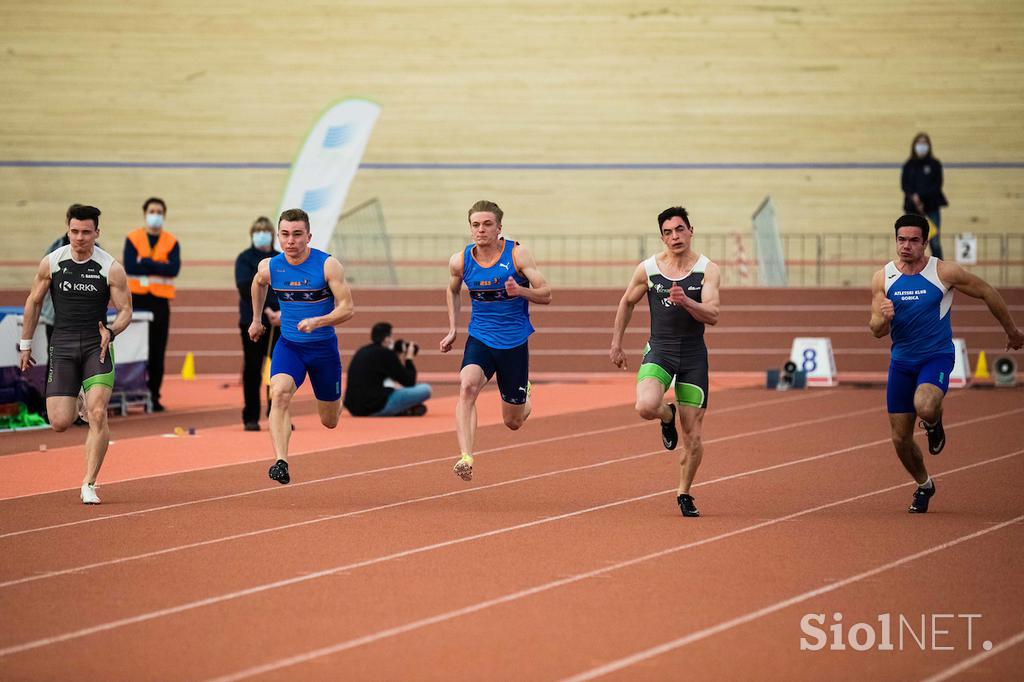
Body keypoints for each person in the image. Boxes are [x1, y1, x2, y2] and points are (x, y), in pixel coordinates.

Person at [870, 214, 1023, 514]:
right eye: (902, 240)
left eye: (914, 240)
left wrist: (1012, 330)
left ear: (925, 242)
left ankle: (933, 420)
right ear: (895, 241)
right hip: (901, 363)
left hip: (936, 356)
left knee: (925, 404)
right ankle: (924, 484)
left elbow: (986, 291)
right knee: (900, 439)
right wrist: (883, 317)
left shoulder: (943, 272)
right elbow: (875, 330)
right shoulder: (882, 278)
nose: (907, 246)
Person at [609, 207, 721, 517]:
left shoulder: (707, 270)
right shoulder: (649, 268)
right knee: (645, 406)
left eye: (680, 230)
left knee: (694, 437)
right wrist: (616, 342)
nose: (675, 236)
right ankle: (665, 415)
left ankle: (684, 492)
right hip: (660, 349)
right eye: (669, 232)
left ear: (690, 231)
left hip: (693, 356)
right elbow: (627, 301)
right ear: (662, 237)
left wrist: (687, 301)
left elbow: (712, 315)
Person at [18, 205, 133, 504]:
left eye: (86, 232)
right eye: (74, 231)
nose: (79, 237)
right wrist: (25, 344)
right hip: (63, 344)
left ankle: (89, 483)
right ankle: (80, 395)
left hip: (98, 345)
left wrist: (113, 330)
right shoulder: (53, 263)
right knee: (59, 422)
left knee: (97, 413)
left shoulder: (110, 267)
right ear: (68, 230)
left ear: (97, 233)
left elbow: (125, 311)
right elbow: (33, 302)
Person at [440, 200, 551, 481]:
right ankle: (466, 456)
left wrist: (521, 292)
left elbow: (546, 293)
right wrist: (453, 329)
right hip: (480, 337)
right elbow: (452, 291)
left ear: (499, 227)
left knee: (513, 421)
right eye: (476, 225)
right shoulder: (460, 261)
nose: (481, 230)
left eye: (487, 224)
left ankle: (524, 392)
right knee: (466, 386)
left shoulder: (517, 255)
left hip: (513, 342)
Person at [249, 208, 355, 485]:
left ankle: (336, 399)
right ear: (278, 236)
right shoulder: (270, 267)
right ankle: (281, 462)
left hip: (323, 350)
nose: (290, 241)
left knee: (329, 420)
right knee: (279, 392)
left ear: (308, 236)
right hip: (290, 346)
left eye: (297, 234)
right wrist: (256, 319)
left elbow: (348, 308)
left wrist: (319, 321)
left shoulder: (327, 265)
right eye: (284, 234)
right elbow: (258, 284)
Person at [123, 197, 180, 412]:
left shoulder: (171, 241)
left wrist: (145, 262)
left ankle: (154, 395)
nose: (155, 214)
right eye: (151, 211)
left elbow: (173, 269)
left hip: (160, 303)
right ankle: (131, 392)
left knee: (157, 351)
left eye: (158, 211)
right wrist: (158, 265)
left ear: (163, 215)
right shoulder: (133, 238)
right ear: (145, 213)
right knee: (135, 349)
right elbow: (130, 266)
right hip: (136, 301)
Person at [235, 216, 281, 431]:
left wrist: (280, 311)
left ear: (272, 234)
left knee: (280, 371)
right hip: (252, 321)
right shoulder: (244, 259)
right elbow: (245, 287)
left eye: (265, 230)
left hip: (279, 323)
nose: (261, 234)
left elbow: (285, 287)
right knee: (253, 369)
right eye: (258, 230)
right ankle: (250, 416)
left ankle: (277, 414)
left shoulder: (280, 259)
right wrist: (266, 310)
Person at [344, 322, 432, 417]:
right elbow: (409, 381)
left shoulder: (362, 351)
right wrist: (409, 358)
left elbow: (388, 370)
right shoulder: (386, 354)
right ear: (387, 339)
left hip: (353, 408)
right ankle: (398, 409)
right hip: (374, 408)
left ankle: (401, 409)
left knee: (388, 384)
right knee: (425, 389)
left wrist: (395, 354)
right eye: (391, 337)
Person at [901, 132, 948, 260]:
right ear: (914, 145)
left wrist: (921, 197)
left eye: (924, 143)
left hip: (931, 208)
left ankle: (940, 273)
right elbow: (905, 186)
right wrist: (914, 198)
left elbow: (936, 186)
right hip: (912, 210)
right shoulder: (908, 165)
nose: (922, 146)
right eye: (919, 143)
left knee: (935, 242)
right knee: (910, 242)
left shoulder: (934, 165)